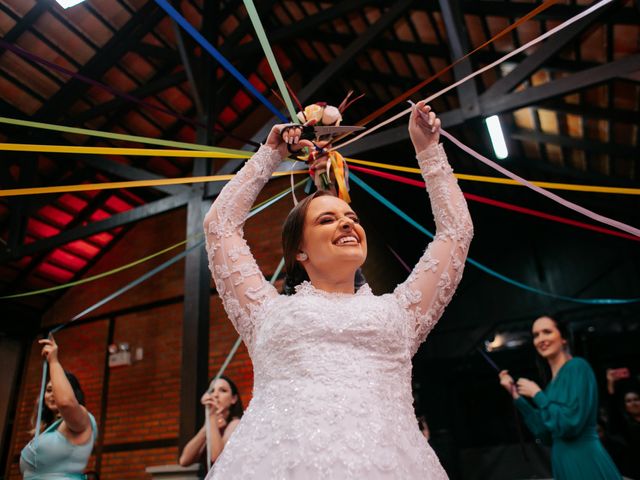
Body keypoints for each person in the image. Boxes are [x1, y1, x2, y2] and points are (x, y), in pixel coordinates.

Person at [202, 101, 473, 479]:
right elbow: (220, 227)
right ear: (299, 251)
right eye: (327, 219)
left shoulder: (400, 314)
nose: (347, 225)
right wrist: (269, 155)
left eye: (351, 218)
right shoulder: (264, 313)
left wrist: (429, 150)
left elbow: (456, 233)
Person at [498, 316, 622, 480]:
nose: (541, 339)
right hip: (562, 461)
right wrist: (515, 395)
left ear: (563, 338)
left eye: (547, 332)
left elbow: (570, 425)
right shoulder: (550, 387)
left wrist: (537, 394)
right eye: (536, 335)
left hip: (584, 459)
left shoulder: (577, 367)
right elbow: (545, 434)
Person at [20, 336, 98, 479]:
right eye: (49, 390)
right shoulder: (48, 429)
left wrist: (53, 361)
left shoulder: (81, 420)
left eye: (56, 390)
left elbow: (66, 403)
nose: (52, 395)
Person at [178, 376, 244, 467]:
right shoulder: (211, 423)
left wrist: (212, 416)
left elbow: (217, 459)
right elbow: (184, 460)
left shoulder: (236, 423)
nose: (215, 395)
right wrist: (207, 427)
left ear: (234, 399)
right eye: (212, 391)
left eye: (222, 390)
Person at [605, 369, 640, 478]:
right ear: (624, 405)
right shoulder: (623, 425)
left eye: (636, 399)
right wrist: (610, 384)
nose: (633, 403)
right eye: (628, 401)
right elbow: (612, 409)